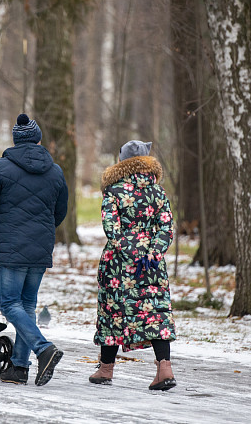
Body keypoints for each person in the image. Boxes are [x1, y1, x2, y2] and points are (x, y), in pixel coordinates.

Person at [0, 113, 69, 386]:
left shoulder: (0, 168)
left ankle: (43, 348)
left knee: (9, 303)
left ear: (15, 141)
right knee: (27, 305)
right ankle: (18, 368)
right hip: (40, 247)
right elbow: (60, 210)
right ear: (38, 140)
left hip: (12, 245)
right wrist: (43, 231)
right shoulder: (56, 171)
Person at [90, 140, 177, 390]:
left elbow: (111, 229)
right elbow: (166, 228)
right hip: (151, 264)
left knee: (112, 312)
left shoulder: (114, 191)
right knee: (155, 313)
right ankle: (165, 368)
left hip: (119, 264)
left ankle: (106, 368)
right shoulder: (158, 192)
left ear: (122, 162)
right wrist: (152, 253)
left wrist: (131, 251)